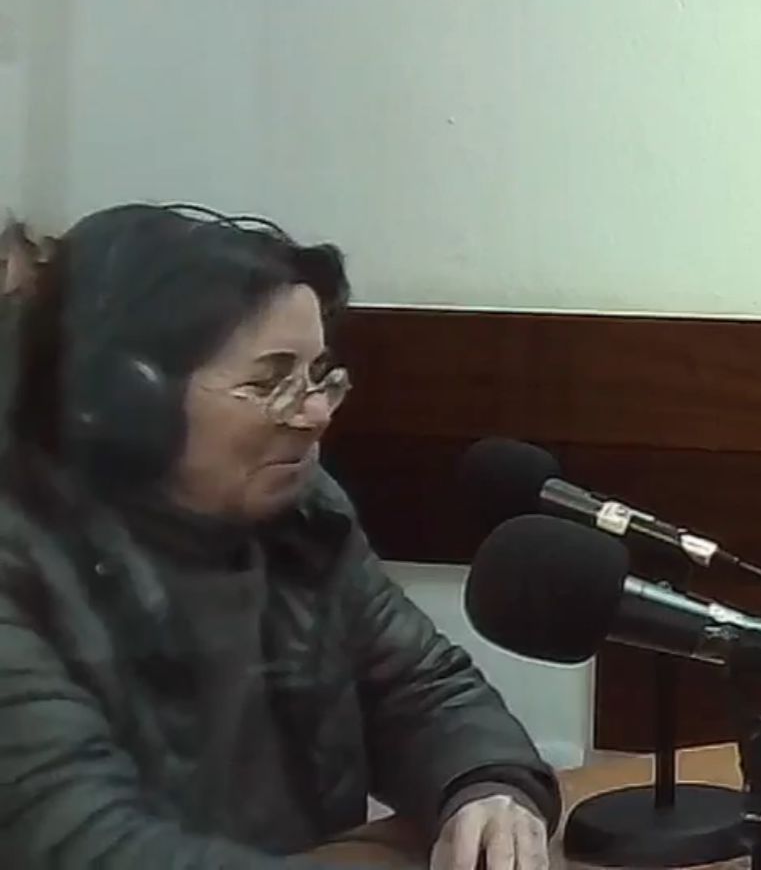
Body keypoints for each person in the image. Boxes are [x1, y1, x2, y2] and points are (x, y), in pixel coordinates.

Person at [0, 203, 560, 868]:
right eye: (270, 382)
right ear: (127, 403)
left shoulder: (303, 517)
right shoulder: (20, 564)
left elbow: (421, 690)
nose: (316, 414)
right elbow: (86, 844)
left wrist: (488, 786)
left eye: (319, 376)